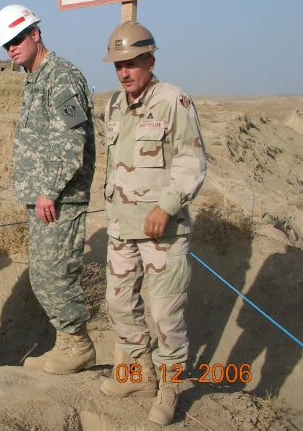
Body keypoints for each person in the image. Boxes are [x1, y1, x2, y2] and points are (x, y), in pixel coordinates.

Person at [99, 22, 206, 426]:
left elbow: (191, 163)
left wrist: (166, 205)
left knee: (164, 314)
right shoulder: (113, 105)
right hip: (121, 230)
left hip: (163, 232)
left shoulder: (173, 101)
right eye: (118, 65)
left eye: (131, 64)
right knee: (118, 305)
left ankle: (170, 386)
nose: (124, 72)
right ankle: (139, 375)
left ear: (150, 60)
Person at [0, 4, 96, 374]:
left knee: (56, 272)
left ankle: (78, 345)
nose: (12, 48)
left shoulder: (62, 77)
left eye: (18, 39)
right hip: (43, 197)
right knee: (44, 274)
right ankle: (67, 342)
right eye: (7, 44)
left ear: (35, 34)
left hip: (59, 198)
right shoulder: (35, 78)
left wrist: (49, 190)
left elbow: (73, 140)